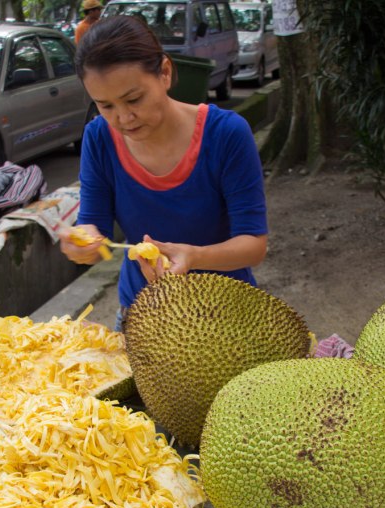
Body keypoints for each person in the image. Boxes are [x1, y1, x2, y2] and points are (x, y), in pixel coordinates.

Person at [61, 15, 268, 330]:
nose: (124, 117)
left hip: (227, 317)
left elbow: (253, 244)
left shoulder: (226, 134)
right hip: (144, 316)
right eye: (106, 106)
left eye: (134, 99)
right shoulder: (99, 137)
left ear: (165, 73)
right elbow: (94, 224)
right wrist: (82, 242)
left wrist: (194, 257)